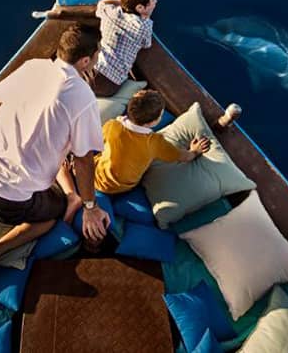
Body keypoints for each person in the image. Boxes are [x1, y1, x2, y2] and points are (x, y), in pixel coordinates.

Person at [0, 23, 111, 288]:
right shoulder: (83, 96)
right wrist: (90, 207)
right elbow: (84, 160)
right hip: (7, 202)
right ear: (85, 60)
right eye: (96, 54)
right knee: (51, 216)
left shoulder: (34, 67)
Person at [56, 89, 210, 245]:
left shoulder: (112, 126)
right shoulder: (156, 143)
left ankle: (90, 243)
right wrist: (194, 151)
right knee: (144, 219)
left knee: (98, 231)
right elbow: (182, 157)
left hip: (98, 179)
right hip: (118, 187)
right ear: (153, 122)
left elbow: (96, 141)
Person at [87, 0, 157, 97]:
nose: (155, 1)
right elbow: (147, 44)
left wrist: (124, 2)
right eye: (151, 1)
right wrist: (147, 16)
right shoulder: (144, 26)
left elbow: (102, 3)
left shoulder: (111, 13)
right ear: (140, 8)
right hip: (110, 85)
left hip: (92, 71)